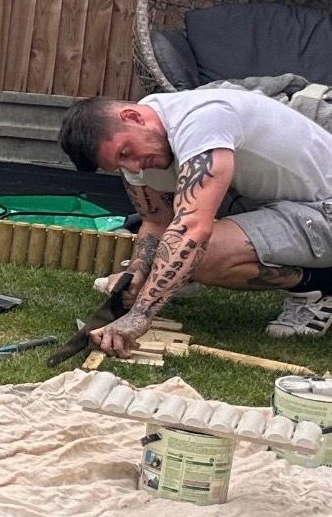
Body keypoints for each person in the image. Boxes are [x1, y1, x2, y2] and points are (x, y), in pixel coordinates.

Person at [58, 88, 332, 358]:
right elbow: (155, 221)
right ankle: (176, 278)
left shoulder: (202, 120)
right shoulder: (142, 142)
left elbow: (192, 229)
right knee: (182, 251)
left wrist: (141, 313)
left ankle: (319, 286)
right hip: (277, 205)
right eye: (119, 164)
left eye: (126, 153)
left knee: (199, 252)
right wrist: (139, 273)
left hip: (323, 209)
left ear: (133, 117)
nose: (132, 167)